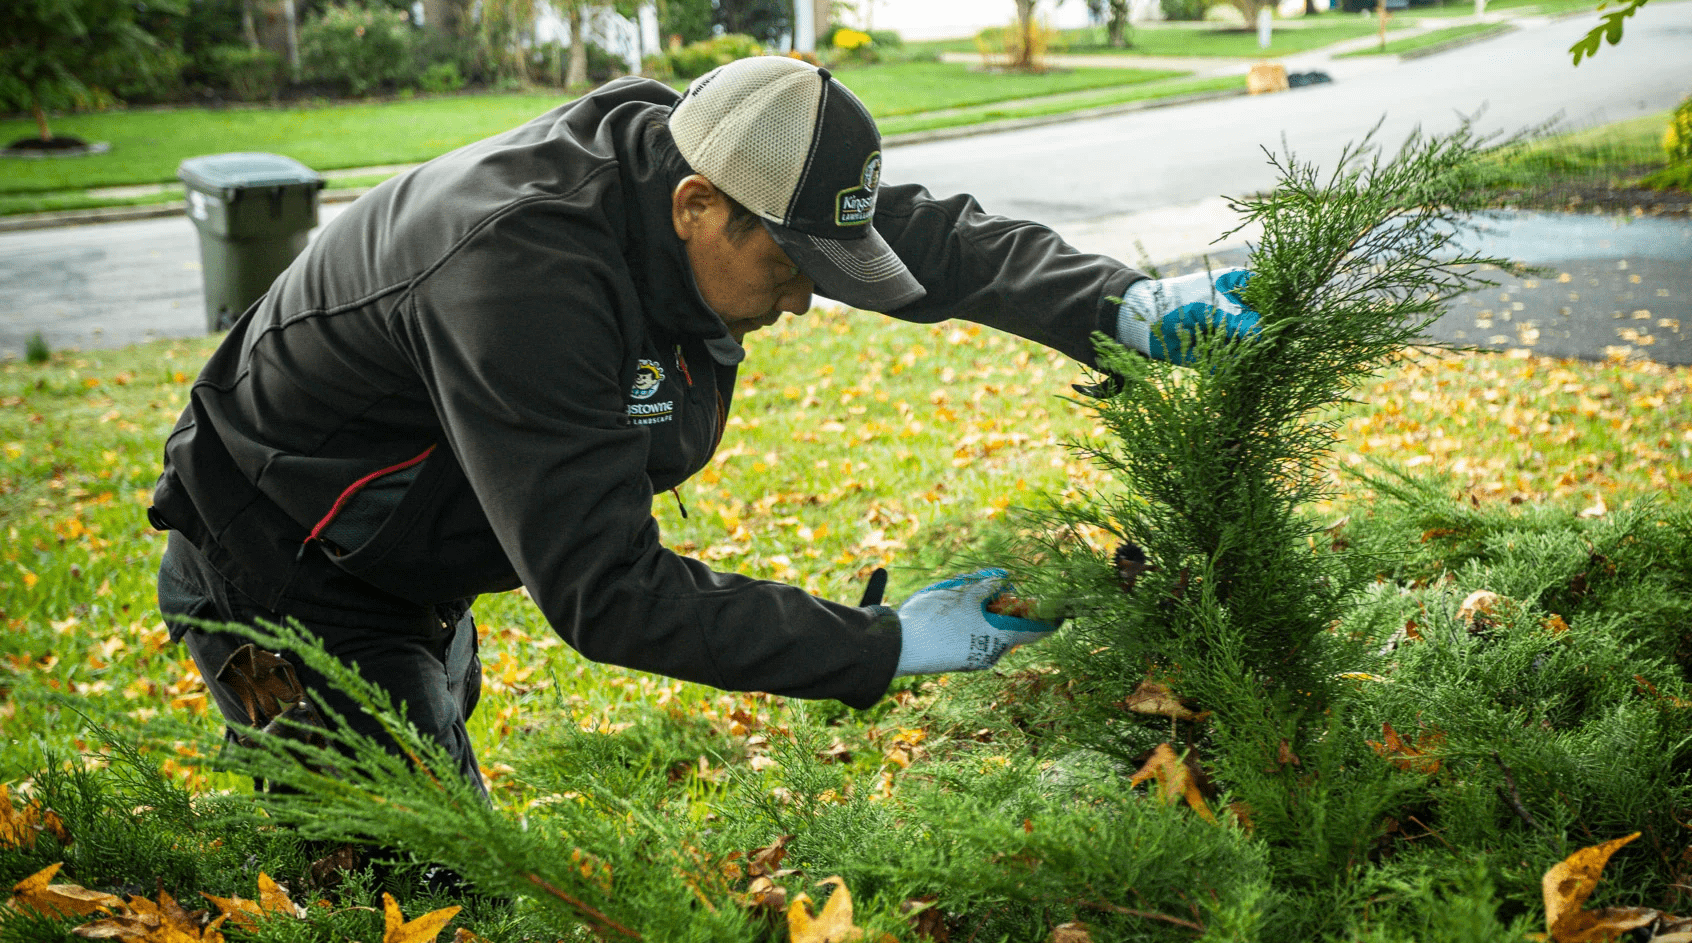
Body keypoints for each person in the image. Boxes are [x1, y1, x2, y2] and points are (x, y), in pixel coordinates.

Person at [150, 55, 1260, 796]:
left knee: (418, 776)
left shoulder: (719, 150)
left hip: (409, 548)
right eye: (790, 267)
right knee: (417, 863)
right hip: (283, 568)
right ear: (696, 209)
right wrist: (887, 643)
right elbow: (608, 593)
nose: (805, 299)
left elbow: (931, 239)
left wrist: (1122, 305)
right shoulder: (519, 278)